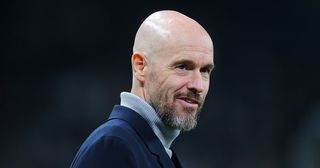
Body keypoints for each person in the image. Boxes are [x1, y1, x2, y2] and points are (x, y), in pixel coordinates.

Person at [70, 10, 214, 168]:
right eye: (183, 67)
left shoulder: (148, 148)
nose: (198, 85)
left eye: (205, 70)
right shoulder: (114, 147)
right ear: (141, 67)